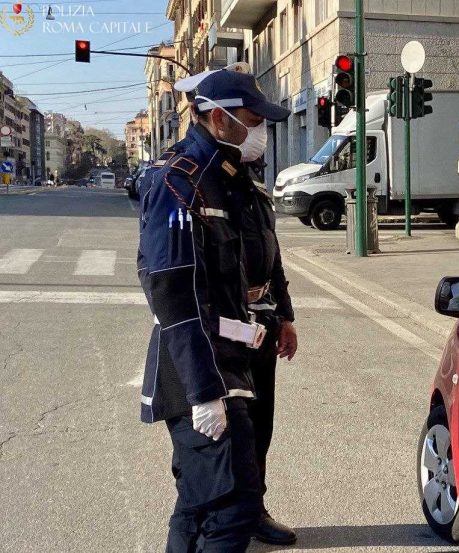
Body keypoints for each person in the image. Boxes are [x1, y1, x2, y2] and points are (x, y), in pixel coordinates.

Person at [136, 68, 290, 552]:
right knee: (228, 507)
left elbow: (265, 252)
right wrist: (204, 392)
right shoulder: (179, 183)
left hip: (240, 347)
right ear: (217, 118)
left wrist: (281, 313)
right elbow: (173, 295)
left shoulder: (233, 179)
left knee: (205, 499)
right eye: (251, 118)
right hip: (201, 363)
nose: (260, 129)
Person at [240, 160, 298, 545]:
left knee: (261, 426)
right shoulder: (198, 188)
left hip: (262, 320)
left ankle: (254, 510)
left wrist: (286, 317)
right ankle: (220, 516)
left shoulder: (258, 193)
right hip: (221, 327)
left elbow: (274, 260)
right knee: (222, 430)